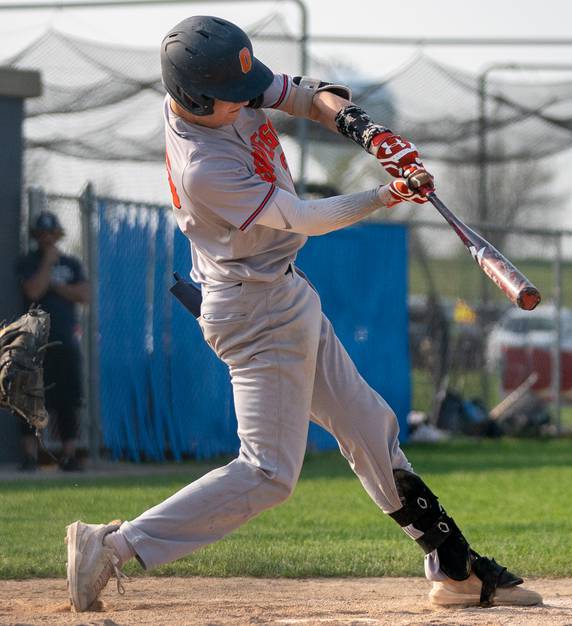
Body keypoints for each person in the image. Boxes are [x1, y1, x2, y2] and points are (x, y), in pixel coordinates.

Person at [65, 16, 542, 612]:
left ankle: (455, 568)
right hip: (252, 312)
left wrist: (365, 130)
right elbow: (304, 219)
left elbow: (304, 97)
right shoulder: (204, 167)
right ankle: (111, 547)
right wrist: (387, 195)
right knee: (268, 472)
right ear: (193, 98)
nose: (247, 102)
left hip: (281, 295)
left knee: (370, 427)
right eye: (233, 99)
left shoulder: (219, 84)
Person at [17, 211, 89, 471]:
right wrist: (47, 264)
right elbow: (34, 290)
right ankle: (29, 456)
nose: (47, 239)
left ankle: (69, 455)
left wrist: (56, 287)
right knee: (30, 397)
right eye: (42, 234)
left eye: (51, 234)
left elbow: (84, 293)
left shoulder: (70, 263)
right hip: (34, 340)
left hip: (64, 340)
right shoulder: (29, 262)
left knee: (67, 398)